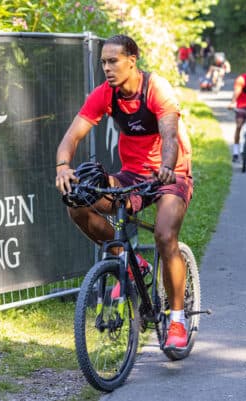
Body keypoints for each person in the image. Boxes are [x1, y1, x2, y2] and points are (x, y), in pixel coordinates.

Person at [55, 35, 193, 350]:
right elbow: (72, 135)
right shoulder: (106, 94)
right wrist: (63, 166)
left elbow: (169, 134)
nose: (106, 67)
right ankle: (132, 264)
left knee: (164, 235)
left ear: (132, 60)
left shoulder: (156, 88)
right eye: (103, 62)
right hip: (132, 174)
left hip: (171, 173)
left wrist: (167, 166)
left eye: (113, 60)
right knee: (77, 203)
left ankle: (177, 320)